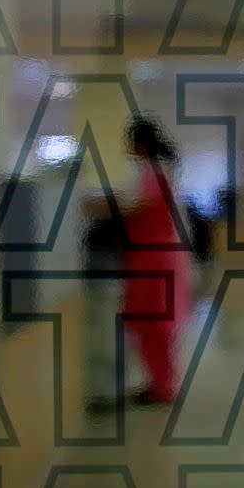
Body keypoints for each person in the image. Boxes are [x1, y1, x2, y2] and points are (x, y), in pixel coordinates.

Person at [85, 115, 191, 406]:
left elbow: (134, 205)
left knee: (157, 324)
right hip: (148, 256)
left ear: (141, 143)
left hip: (155, 258)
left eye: (131, 142)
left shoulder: (156, 171)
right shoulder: (154, 171)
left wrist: (92, 205)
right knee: (147, 324)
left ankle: (165, 387)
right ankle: (158, 383)